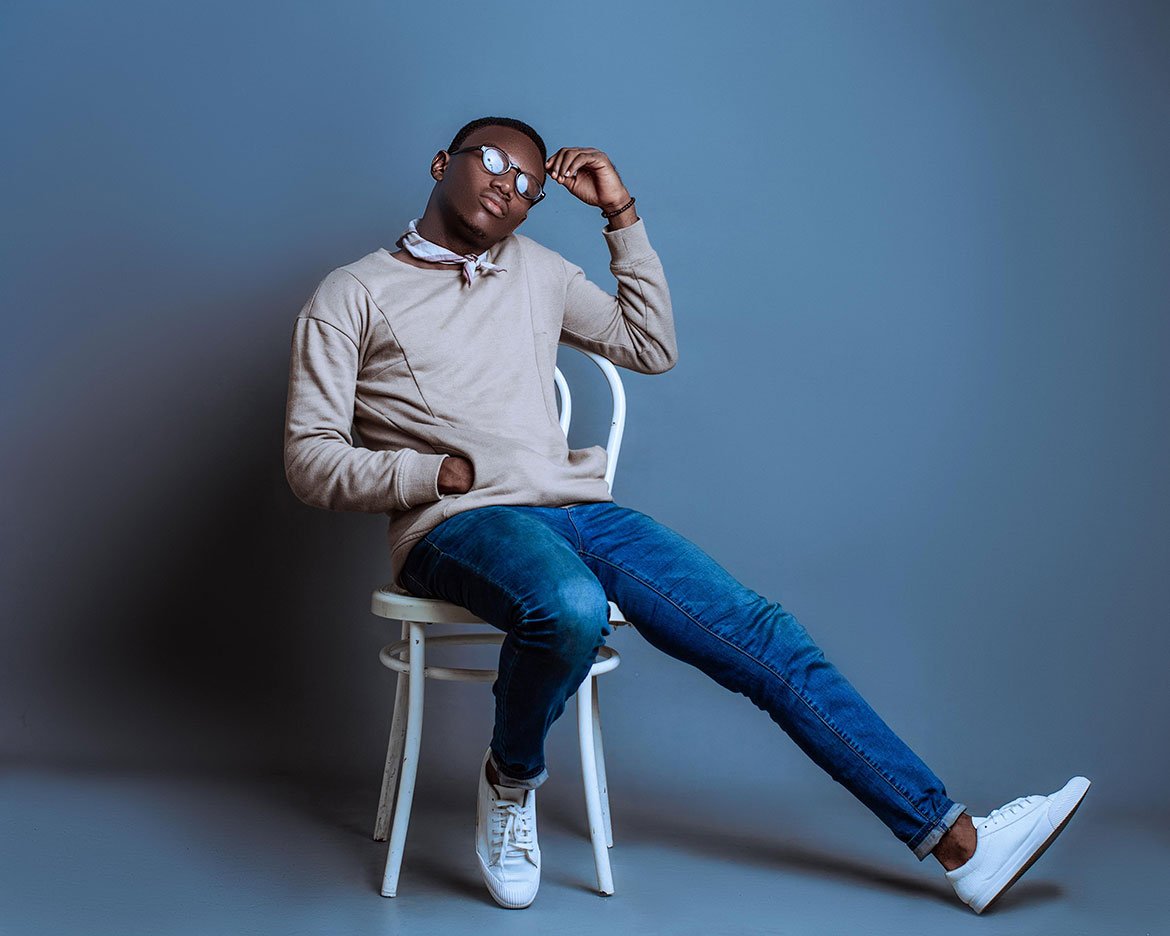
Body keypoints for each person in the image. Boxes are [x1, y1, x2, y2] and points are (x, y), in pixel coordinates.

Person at [282, 115, 1089, 913]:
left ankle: (959, 844)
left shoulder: (536, 269)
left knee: (761, 632)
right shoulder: (352, 294)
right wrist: (426, 472)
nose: (509, 184)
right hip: (456, 526)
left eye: (528, 182)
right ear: (441, 162)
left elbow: (650, 345)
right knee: (569, 606)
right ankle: (511, 780)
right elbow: (310, 459)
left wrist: (620, 214)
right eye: (492, 160)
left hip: (574, 512)